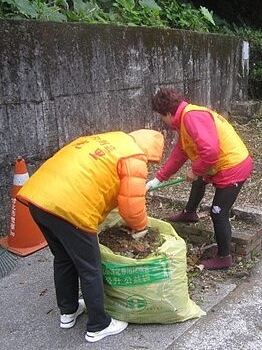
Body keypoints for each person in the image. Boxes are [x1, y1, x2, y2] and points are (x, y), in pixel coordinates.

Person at [16, 129, 164, 342]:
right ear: (149, 153)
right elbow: (132, 207)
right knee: (90, 267)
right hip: (70, 207)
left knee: (64, 258)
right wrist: (140, 227)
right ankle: (98, 325)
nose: (148, 165)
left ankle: (68, 312)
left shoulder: (109, 140)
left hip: (38, 198)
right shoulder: (134, 156)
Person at [147, 88, 254, 270]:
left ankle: (224, 257)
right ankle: (190, 213)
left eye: (161, 117)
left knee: (218, 213)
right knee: (199, 180)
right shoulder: (185, 119)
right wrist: (157, 179)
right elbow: (179, 154)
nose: (162, 121)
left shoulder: (191, 117)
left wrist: (195, 170)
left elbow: (210, 152)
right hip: (221, 165)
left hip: (233, 167)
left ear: (167, 113)